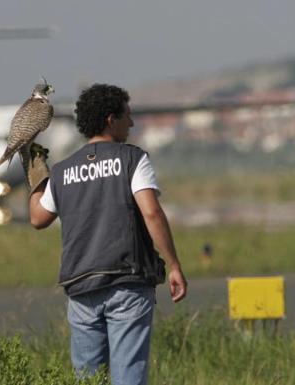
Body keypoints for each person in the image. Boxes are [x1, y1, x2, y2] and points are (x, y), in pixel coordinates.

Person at [25, 83, 187, 385]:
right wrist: (174, 265)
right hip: (126, 283)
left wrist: (36, 173)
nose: (132, 122)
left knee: (88, 380)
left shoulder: (61, 171)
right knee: (128, 378)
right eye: (127, 115)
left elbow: (38, 218)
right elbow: (151, 212)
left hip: (80, 288)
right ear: (110, 119)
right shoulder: (132, 159)